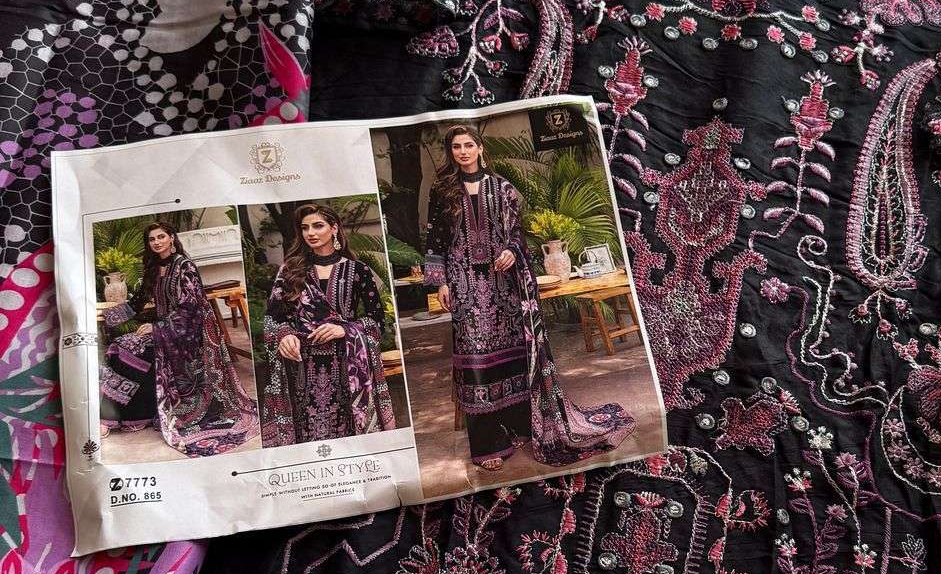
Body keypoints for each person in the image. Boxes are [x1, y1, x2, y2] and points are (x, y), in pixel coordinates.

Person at [423, 124, 634, 470]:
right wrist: (440, 282)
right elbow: (434, 239)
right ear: (451, 152)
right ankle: (488, 443)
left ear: (480, 148)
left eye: (468, 145)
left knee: (515, 356)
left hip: (505, 287)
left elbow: (518, 234)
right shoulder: (443, 189)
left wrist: (511, 251)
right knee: (475, 360)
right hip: (464, 286)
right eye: (456, 147)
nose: (463, 152)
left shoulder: (503, 188)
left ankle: (520, 425)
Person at [99, 220, 256, 456]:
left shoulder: (185, 267)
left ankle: (127, 417)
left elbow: (190, 309)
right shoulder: (153, 268)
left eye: (161, 237)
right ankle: (126, 416)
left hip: (188, 334)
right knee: (119, 346)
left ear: (172, 237)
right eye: (152, 239)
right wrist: (108, 317)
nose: (156, 242)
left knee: (133, 349)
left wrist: (157, 328)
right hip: (166, 331)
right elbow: (138, 301)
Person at [261, 203, 397, 446]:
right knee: (307, 435)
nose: (310, 233)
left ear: (334, 228)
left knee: (348, 435)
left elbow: (377, 318)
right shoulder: (290, 271)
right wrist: (284, 335)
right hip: (301, 365)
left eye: (318, 226)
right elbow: (273, 317)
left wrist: (345, 329)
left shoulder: (358, 270)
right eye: (305, 228)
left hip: (345, 365)